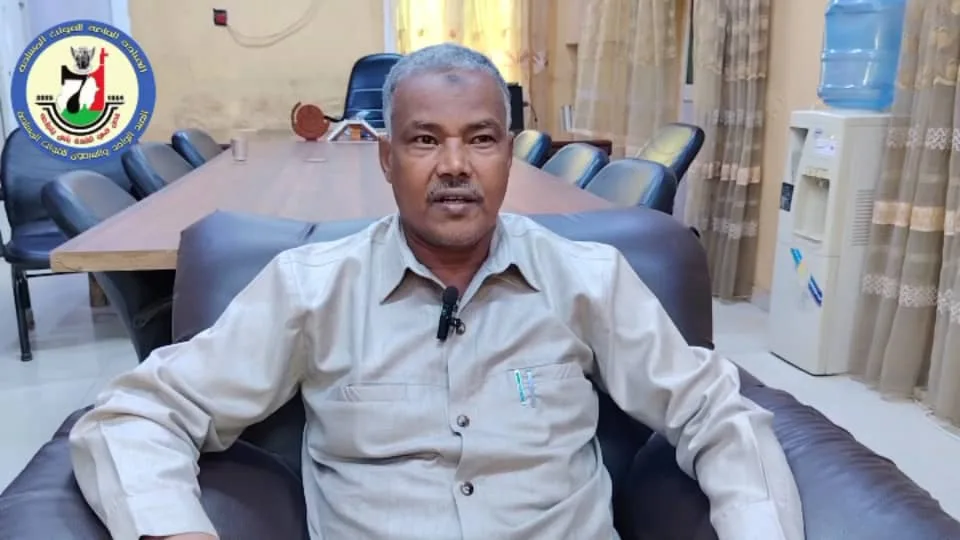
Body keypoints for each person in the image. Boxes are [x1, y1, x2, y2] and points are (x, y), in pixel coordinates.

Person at [69, 43, 805, 540]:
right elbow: (139, 413)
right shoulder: (311, 291)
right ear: (386, 158)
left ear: (508, 155)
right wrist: (173, 529)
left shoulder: (588, 279)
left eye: (480, 139)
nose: (454, 165)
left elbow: (715, 412)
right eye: (425, 140)